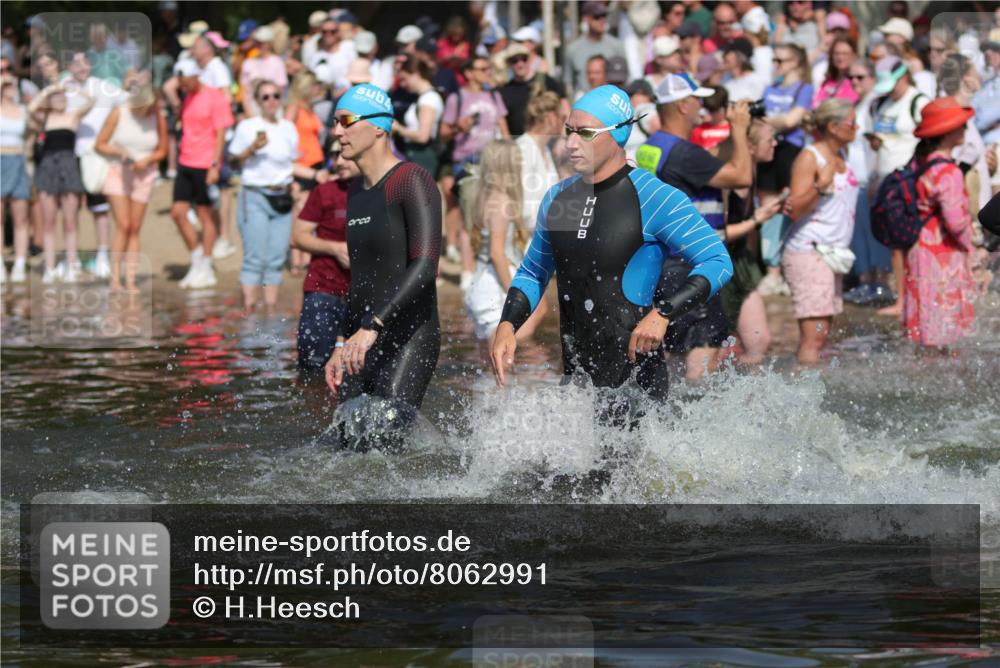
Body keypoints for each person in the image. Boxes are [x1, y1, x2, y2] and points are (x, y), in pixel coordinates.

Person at [491, 85, 733, 419]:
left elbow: (718, 261)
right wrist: (507, 325)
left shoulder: (654, 196)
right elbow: (533, 271)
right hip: (578, 387)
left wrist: (663, 314)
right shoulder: (559, 199)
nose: (571, 143)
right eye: (569, 131)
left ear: (618, 134)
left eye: (586, 133)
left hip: (636, 386)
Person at [324, 84, 442, 451]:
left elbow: (424, 267)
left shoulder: (411, 180)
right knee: (347, 447)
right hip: (362, 338)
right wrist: (342, 342)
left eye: (345, 121)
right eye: (335, 122)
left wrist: (375, 324)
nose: (336, 131)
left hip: (409, 334)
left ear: (378, 127)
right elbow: (360, 279)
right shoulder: (357, 192)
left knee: (383, 445)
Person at [636, 73, 751, 379]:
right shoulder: (683, 152)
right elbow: (742, 177)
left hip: (661, 265)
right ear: (684, 105)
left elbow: (701, 165)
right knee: (704, 361)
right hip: (691, 265)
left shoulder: (652, 146)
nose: (701, 107)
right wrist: (739, 129)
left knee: (668, 359)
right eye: (697, 100)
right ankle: (693, 423)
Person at [781, 99, 859, 364]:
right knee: (813, 338)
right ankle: (803, 397)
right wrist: (820, 186)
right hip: (809, 253)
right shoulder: (809, 157)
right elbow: (794, 209)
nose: (857, 127)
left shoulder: (843, 155)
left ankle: (811, 391)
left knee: (822, 336)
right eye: (851, 122)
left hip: (831, 254)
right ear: (833, 127)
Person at [900, 97, 979, 349]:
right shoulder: (949, 172)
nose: (965, 129)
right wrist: (973, 248)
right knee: (945, 330)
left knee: (925, 324)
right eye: (961, 125)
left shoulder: (919, 162)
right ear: (948, 131)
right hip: (942, 255)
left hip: (918, 249)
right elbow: (955, 223)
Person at [228, 81, 302, 311]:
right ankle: (249, 314)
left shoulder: (289, 127)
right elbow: (231, 162)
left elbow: (290, 164)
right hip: (255, 195)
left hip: (282, 196)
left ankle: (270, 312)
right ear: (258, 101)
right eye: (265, 97)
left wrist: (298, 183)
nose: (271, 101)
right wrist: (252, 149)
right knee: (255, 258)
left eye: (275, 96)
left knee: (276, 258)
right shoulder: (248, 126)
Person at [717, 118, 785, 367]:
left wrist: (768, 212)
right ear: (751, 147)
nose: (776, 144)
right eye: (770, 139)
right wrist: (758, 218)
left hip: (742, 264)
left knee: (759, 341)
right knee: (716, 351)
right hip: (719, 266)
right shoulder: (728, 178)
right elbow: (717, 233)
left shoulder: (753, 172)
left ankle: (749, 400)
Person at [464, 140, 545, 343]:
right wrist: (515, 293)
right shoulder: (501, 201)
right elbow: (496, 252)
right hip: (497, 283)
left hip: (482, 281)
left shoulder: (484, 197)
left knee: (488, 361)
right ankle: (536, 373)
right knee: (535, 314)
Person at [440, 56, 510, 290]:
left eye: (488, 67)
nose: (487, 72)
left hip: (493, 162)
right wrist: (458, 127)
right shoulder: (456, 98)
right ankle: (467, 270)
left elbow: (504, 129)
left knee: (493, 215)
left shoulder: (494, 95)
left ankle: (490, 263)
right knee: (469, 217)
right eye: (482, 68)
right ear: (468, 73)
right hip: (467, 163)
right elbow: (443, 132)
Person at [867, 56, 929, 316]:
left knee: (908, 243)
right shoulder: (879, 103)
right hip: (886, 182)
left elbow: (928, 140)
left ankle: (908, 300)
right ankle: (904, 299)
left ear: (904, 76)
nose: (890, 89)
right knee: (895, 245)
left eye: (893, 84)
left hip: (909, 183)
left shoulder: (919, 102)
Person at [94, 84, 168, 291]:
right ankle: (115, 279)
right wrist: (119, 152)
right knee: (123, 225)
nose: (155, 110)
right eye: (151, 106)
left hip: (144, 175)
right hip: (119, 172)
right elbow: (100, 143)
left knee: (135, 227)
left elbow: (163, 149)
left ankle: (132, 279)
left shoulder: (157, 117)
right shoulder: (120, 112)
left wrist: (148, 159)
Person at [293, 145, 358, 373]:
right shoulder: (324, 191)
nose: (338, 162)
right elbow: (297, 237)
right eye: (334, 156)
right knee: (313, 369)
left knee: (356, 372)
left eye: (344, 155)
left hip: (362, 298)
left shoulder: (378, 193)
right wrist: (335, 248)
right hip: (322, 291)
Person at [171, 58, 234, 289]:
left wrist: (215, 165)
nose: (183, 86)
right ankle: (197, 260)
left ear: (196, 76)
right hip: (185, 160)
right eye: (181, 83)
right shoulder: (187, 96)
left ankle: (206, 266)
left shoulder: (214, 97)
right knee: (177, 212)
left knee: (205, 215)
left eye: (186, 82)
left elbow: (220, 133)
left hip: (205, 163)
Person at [28, 79, 94, 283]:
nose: (60, 99)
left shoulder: (72, 116)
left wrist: (72, 89)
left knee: (70, 220)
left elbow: (91, 100)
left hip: (68, 165)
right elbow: (31, 107)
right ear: (50, 101)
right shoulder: (45, 118)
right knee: (49, 221)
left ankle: (71, 264)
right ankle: (50, 266)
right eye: (56, 98)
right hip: (48, 167)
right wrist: (49, 89)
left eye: (62, 97)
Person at [842, 60, 892, 306]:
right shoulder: (857, 104)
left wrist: (874, 176)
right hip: (855, 179)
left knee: (875, 235)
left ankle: (880, 283)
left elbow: (877, 144)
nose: (855, 82)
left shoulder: (876, 105)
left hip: (871, 179)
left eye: (860, 77)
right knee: (858, 234)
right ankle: (866, 282)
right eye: (851, 78)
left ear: (873, 79)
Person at [286, 71, 330, 277]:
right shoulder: (294, 109)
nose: (317, 89)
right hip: (301, 166)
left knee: (309, 213)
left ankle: (304, 259)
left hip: (314, 165)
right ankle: (297, 261)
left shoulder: (308, 109)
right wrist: (292, 156)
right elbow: (283, 133)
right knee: (300, 213)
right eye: (314, 85)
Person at [497, 43, 567, 137]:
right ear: (509, 63)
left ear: (529, 60)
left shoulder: (547, 82)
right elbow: (503, 124)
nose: (520, 64)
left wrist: (563, 138)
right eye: (514, 61)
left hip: (549, 142)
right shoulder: (504, 91)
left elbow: (565, 111)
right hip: (519, 145)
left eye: (524, 59)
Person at [392, 56, 444, 176]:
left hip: (422, 158)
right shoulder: (423, 98)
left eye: (405, 79)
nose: (403, 85)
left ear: (416, 74)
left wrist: (398, 128)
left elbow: (423, 136)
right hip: (415, 156)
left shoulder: (428, 99)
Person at [1, 72, 30, 283]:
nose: (12, 87)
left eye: (14, 84)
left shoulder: (23, 110)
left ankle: (20, 262)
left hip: (18, 160)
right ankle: (1, 263)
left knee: (21, 217)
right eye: (7, 84)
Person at [566, 1, 626, 94]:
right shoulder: (573, 49)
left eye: (604, 16)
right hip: (583, 100)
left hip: (609, 99)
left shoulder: (616, 46)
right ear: (586, 19)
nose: (602, 20)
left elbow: (624, 79)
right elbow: (568, 83)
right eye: (597, 17)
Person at [239, 26, 289, 115]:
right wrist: (249, 113)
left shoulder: (278, 62)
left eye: (264, 43)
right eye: (258, 43)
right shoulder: (248, 63)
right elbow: (245, 91)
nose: (261, 46)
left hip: (273, 108)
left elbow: (281, 89)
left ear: (270, 44)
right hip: (254, 108)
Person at [813, 36, 859, 106]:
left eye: (845, 53)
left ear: (854, 56)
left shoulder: (857, 81)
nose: (840, 57)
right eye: (836, 53)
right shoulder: (827, 81)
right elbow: (815, 104)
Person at [721, 38, 765, 102]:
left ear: (740, 56)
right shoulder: (725, 79)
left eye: (729, 51)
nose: (725, 54)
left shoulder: (755, 80)